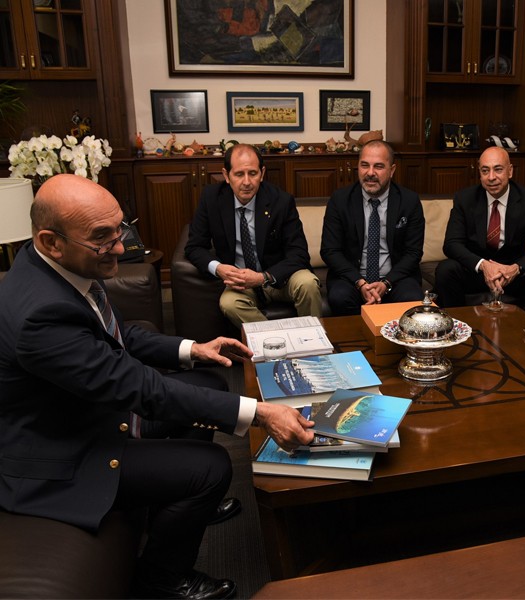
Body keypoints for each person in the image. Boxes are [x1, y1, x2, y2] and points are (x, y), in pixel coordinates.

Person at [0, 174, 315, 599]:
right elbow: (140, 389)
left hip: (87, 410)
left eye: (120, 229)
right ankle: (162, 581)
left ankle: (179, 504)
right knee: (212, 466)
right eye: (102, 238)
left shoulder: (55, 267)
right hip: (65, 452)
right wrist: (257, 413)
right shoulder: (41, 315)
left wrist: (192, 348)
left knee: (205, 378)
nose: (120, 247)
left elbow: (117, 336)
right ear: (51, 241)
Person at [185, 143, 322, 328]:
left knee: (308, 283)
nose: (247, 182)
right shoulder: (211, 198)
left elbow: (299, 254)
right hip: (240, 283)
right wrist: (218, 268)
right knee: (229, 303)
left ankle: (314, 345)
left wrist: (262, 277)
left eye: (253, 173)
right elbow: (194, 247)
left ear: (262, 173)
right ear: (226, 175)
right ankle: (276, 340)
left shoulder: (280, 201)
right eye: (239, 174)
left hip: (278, 278)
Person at [434, 146, 525, 316]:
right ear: (479, 173)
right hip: (478, 272)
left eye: (498, 169)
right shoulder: (465, 199)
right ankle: (459, 328)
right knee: (446, 269)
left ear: (510, 171)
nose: (491, 177)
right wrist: (484, 265)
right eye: (485, 170)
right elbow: (452, 244)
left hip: (513, 273)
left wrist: (515, 269)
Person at [320, 139, 425, 315]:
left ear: (392, 170)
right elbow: (330, 251)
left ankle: (396, 343)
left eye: (378, 166)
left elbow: (413, 253)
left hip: (395, 279)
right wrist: (360, 282)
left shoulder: (409, 201)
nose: (370, 173)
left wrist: (386, 283)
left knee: (412, 298)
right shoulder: (340, 200)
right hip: (351, 279)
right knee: (339, 297)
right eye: (364, 165)